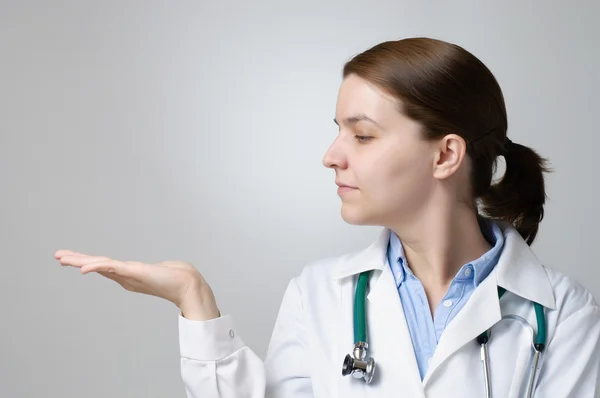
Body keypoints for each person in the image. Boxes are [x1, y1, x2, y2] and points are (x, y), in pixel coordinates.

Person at [54, 37, 600, 397]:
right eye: (338, 130)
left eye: (361, 135)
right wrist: (195, 301)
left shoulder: (564, 315)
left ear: (444, 155)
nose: (331, 155)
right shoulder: (318, 294)